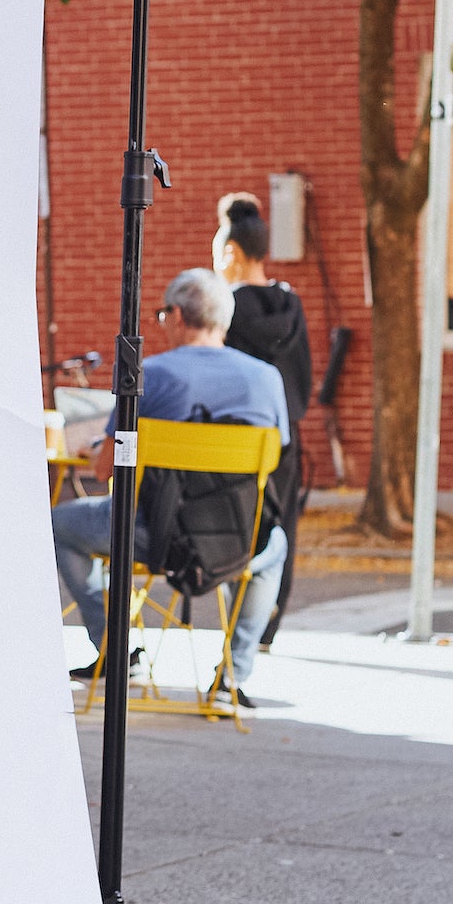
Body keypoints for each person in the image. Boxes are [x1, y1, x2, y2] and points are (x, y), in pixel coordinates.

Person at [51, 266, 290, 707]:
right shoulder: (266, 378)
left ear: (178, 315)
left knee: (57, 524)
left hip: (150, 534)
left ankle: (116, 650)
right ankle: (231, 679)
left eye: (163, 315)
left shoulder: (151, 374)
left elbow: (108, 466)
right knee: (275, 548)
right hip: (237, 539)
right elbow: (274, 455)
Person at [214, 192, 315, 636]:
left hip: (236, 438)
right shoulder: (291, 306)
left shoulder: (224, 310)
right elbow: (306, 377)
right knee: (282, 528)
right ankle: (266, 626)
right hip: (286, 434)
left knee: (238, 526)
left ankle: (239, 628)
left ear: (231, 251)